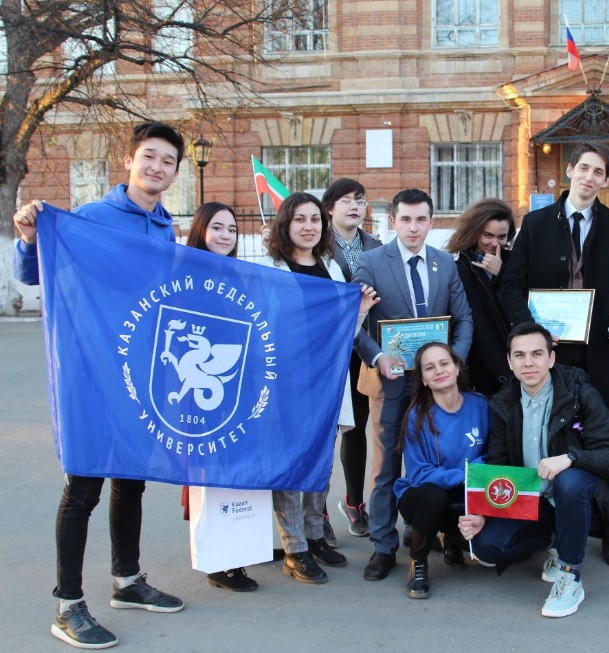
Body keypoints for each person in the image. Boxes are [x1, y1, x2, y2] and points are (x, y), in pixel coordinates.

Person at [12, 122, 187, 650]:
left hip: (141, 374)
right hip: (91, 371)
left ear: (176, 173)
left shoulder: (165, 228)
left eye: (167, 161)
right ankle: (68, 604)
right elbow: (37, 271)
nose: (157, 167)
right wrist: (26, 239)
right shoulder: (91, 218)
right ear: (131, 160)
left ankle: (127, 580)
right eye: (149, 157)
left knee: (132, 477)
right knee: (84, 488)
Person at [498, 142, 609, 568]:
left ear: (606, 180)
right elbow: (510, 286)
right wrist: (533, 333)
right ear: (570, 170)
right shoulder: (536, 224)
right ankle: (550, 528)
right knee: (555, 439)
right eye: (584, 168)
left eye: (600, 171)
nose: (590, 177)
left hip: (601, 355)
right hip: (549, 357)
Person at [460, 322, 609, 618]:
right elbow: (500, 467)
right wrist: (483, 511)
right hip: (533, 500)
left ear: (551, 359)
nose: (529, 363)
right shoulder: (502, 404)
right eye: (520, 355)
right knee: (486, 546)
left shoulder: (580, 394)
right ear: (510, 362)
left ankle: (569, 575)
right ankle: (555, 540)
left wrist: (571, 457)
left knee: (569, 481)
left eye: (537, 354)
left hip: (582, 495)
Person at [352, 188, 474, 582]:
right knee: (386, 466)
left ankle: (428, 531)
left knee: (435, 460)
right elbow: (354, 323)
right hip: (390, 380)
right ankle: (383, 546)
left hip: (435, 384)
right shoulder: (370, 263)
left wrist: (452, 362)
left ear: (431, 222)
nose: (413, 227)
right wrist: (377, 356)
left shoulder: (444, 264)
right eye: (405, 219)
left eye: (421, 219)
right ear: (393, 221)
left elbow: (465, 318)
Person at [257, 192, 379, 584]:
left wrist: (358, 313)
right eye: (299, 219)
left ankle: (315, 533)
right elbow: (266, 330)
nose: (309, 226)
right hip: (288, 384)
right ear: (285, 225)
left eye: (314, 219)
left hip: (327, 380)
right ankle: (294, 547)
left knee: (321, 464)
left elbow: (343, 331)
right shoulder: (272, 269)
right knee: (293, 467)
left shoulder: (331, 267)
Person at [179, 202, 258, 591]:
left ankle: (237, 554)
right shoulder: (188, 274)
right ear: (200, 230)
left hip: (238, 389)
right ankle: (217, 562)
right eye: (217, 227)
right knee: (211, 476)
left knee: (239, 475)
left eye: (231, 229)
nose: (226, 235)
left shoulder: (240, 275)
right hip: (202, 392)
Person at [394, 342, 488, 599]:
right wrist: (465, 475)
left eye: (444, 363)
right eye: (429, 367)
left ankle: (454, 543)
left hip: (467, 493)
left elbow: (493, 456)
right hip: (423, 495)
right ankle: (419, 561)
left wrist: (472, 475)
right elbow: (419, 474)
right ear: (423, 379)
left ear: (457, 367)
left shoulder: (481, 405)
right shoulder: (417, 415)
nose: (438, 370)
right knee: (434, 495)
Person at [323, 178, 383, 539]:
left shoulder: (375, 246)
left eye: (360, 201)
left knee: (357, 427)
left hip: (362, 350)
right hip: (327, 352)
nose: (354, 207)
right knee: (325, 432)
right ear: (330, 207)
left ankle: (354, 502)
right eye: (346, 200)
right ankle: (316, 513)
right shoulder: (317, 243)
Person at [444, 198, 516, 396]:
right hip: (481, 366)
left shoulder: (514, 261)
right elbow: (478, 323)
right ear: (475, 231)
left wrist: (501, 274)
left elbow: (519, 303)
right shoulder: (459, 267)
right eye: (487, 235)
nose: (494, 243)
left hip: (516, 356)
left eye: (502, 237)